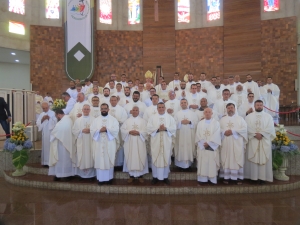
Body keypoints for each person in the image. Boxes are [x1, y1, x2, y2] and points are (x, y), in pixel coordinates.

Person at [244, 100, 276, 184]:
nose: (259, 106)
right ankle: (252, 177)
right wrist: (255, 134)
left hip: (264, 140)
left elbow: (270, 128)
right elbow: (246, 127)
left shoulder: (268, 116)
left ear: (263, 106)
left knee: (263, 158)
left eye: (260, 105)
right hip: (253, 140)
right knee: (253, 157)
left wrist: (262, 134)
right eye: (257, 105)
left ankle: (263, 177)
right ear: (254, 106)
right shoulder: (248, 117)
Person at [147, 102, 176, 185]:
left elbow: (173, 128)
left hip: (166, 142)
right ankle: (155, 176)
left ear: (165, 108)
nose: (161, 109)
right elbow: (149, 128)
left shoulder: (170, 118)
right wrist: (158, 129)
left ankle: (165, 176)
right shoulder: (152, 118)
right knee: (156, 157)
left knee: (166, 157)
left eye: (162, 107)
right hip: (156, 142)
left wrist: (166, 128)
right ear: (157, 109)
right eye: (159, 107)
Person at [90, 103, 119, 185]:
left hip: (109, 143)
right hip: (98, 143)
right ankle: (100, 179)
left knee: (108, 159)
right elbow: (92, 130)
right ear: (100, 110)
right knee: (100, 160)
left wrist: (106, 130)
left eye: (105, 108)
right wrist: (99, 130)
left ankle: (109, 178)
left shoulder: (113, 120)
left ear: (108, 109)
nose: (103, 110)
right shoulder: (95, 120)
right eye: (102, 108)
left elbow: (116, 130)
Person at [219, 103, 248, 185]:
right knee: (226, 158)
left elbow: (244, 129)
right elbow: (218, 129)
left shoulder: (240, 119)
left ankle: (238, 177)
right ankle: (226, 177)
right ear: (226, 110)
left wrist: (233, 132)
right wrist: (224, 132)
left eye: (232, 108)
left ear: (235, 109)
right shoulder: (222, 120)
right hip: (226, 142)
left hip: (237, 143)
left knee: (237, 158)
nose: (230, 109)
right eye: (228, 108)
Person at [121, 106, 148, 183]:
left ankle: (140, 176)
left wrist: (139, 132)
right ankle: (131, 176)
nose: (135, 111)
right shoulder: (127, 121)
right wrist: (129, 132)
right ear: (131, 111)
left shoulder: (143, 121)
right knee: (131, 157)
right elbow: (122, 130)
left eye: (136, 110)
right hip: (130, 142)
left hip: (140, 142)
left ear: (138, 111)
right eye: (134, 110)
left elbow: (146, 131)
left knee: (140, 157)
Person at [195, 108, 221, 185]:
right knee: (202, 162)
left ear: (212, 113)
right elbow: (197, 134)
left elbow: (217, 135)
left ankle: (212, 179)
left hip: (212, 147)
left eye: (209, 112)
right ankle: (202, 179)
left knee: (212, 162)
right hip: (202, 146)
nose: (207, 113)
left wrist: (209, 143)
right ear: (204, 113)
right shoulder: (200, 123)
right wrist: (203, 143)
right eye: (206, 112)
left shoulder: (216, 123)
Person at [49, 109, 76, 181]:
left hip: (61, 145)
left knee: (60, 160)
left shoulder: (62, 122)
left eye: (56, 116)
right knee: (67, 160)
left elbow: (54, 132)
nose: (56, 118)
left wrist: (52, 137)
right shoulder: (69, 120)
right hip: (67, 144)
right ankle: (68, 174)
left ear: (59, 114)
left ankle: (60, 174)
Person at [72, 104, 96, 179]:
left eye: (87, 109)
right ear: (82, 110)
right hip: (81, 141)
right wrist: (82, 130)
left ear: (90, 110)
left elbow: (97, 129)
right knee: (81, 156)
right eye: (84, 109)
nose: (86, 110)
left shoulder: (94, 119)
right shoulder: (78, 121)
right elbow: (74, 130)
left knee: (91, 156)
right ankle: (82, 174)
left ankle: (91, 175)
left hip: (90, 142)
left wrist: (91, 131)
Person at [174, 99, 198, 170]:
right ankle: (179, 165)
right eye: (182, 103)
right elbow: (173, 124)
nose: (183, 104)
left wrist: (189, 122)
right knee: (180, 148)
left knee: (188, 148)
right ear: (180, 104)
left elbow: (196, 123)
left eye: (185, 102)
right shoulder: (177, 114)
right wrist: (180, 122)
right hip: (180, 135)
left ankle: (188, 165)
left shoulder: (192, 113)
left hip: (189, 135)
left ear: (187, 104)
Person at [108, 96, 128, 168]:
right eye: (112, 100)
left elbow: (124, 119)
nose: (113, 101)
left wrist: (117, 121)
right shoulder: (107, 109)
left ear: (117, 101)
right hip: (109, 132)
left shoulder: (121, 109)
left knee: (119, 145)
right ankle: (111, 163)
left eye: (114, 100)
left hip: (119, 130)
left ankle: (119, 164)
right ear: (110, 101)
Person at [37, 102, 57, 166]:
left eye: (46, 108)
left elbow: (55, 122)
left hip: (51, 133)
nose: (45, 109)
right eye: (43, 108)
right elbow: (38, 123)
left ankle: (50, 162)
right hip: (44, 133)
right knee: (45, 147)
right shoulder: (41, 114)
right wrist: (42, 119)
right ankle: (45, 162)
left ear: (48, 107)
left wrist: (49, 119)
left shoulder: (53, 113)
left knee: (50, 147)